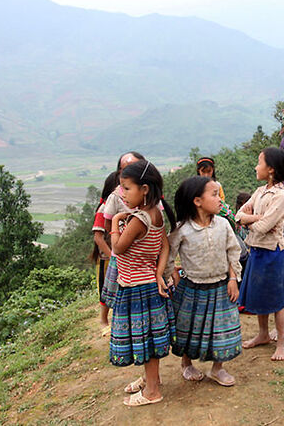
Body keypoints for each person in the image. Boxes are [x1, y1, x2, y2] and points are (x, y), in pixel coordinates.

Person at [109, 159, 177, 406]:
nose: (122, 193)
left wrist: (116, 220)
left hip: (137, 289)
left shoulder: (137, 220)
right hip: (148, 284)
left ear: (145, 189)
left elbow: (117, 248)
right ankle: (151, 381)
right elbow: (164, 246)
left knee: (146, 342)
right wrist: (159, 273)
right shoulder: (154, 213)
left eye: (127, 188)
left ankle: (152, 392)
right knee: (147, 339)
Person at [166, 176, 242, 386]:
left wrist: (233, 278)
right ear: (197, 201)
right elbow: (168, 255)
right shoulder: (182, 229)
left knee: (221, 328)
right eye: (215, 195)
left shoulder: (224, 225)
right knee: (190, 327)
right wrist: (171, 275)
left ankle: (217, 369)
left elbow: (233, 253)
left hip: (221, 285)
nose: (220, 200)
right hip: (192, 287)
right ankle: (186, 363)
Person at [236, 148, 284, 361]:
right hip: (257, 251)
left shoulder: (281, 196)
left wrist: (251, 219)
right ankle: (263, 333)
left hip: (273, 253)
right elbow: (238, 215)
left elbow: (263, 227)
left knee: (277, 298)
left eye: (259, 162)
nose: (256, 166)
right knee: (260, 295)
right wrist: (255, 218)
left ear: (271, 169)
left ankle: (281, 341)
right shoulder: (260, 191)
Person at [102, 151, 146, 310]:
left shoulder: (151, 196)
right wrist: (121, 235)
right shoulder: (115, 196)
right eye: (124, 169)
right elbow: (107, 225)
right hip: (123, 256)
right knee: (122, 300)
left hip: (147, 257)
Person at [90, 171, 119, 334]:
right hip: (107, 258)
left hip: (117, 255)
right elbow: (98, 238)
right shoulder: (103, 209)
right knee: (105, 288)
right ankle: (103, 318)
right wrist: (112, 256)